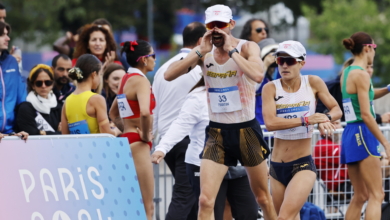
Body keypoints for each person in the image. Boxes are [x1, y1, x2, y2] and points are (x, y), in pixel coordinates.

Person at [164, 4, 277, 219]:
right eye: (211, 25)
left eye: (221, 25)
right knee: (205, 201)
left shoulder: (247, 47)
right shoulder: (204, 54)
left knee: (262, 197)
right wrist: (199, 51)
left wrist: (232, 50)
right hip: (218, 133)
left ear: (231, 25)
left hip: (246, 132)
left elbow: (258, 75)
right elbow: (169, 75)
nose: (216, 30)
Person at [152, 77, 259, 219]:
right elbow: (181, 124)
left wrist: (259, 163)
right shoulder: (198, 97)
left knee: (249, 212)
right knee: (212, 211)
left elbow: (249, 128)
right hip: (204, 163)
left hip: (237, 165)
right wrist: (162, 147)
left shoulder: (242, 91)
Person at [262, 40, 342, 220]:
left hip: (302, 165)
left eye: (289, 61)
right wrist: (307, 120)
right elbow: (270, 123)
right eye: (280, 60)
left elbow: (336, 110)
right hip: (276, 166)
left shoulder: (313, 82)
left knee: (285, 217)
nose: (283, 65)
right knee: (289, 217)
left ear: (301, 63)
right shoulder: (270, 88)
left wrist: (324, 119)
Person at [151, 21, 204, 220]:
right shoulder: (201, 68)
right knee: (185, 195)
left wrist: (157, 141)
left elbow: (154, 108)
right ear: (201, 40)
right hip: (188, 140)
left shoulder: (162, 69)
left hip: (168, 141)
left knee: (192, 198)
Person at [340, 32, 390, 220]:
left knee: (361, 196)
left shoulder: (347, 72)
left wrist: (387, 88)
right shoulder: (361, 75)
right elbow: (367, 115)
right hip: (362, 132)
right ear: (368, 48)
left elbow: (366, 96)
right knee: (377, 195)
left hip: (350, 132)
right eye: (374, 48)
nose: (374, 53)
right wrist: (386, 143)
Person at [109, 40, 156, 220]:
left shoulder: (126, 80)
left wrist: (128, 129)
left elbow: (113, 113)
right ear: (144, 60)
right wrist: (143, 134)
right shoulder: (140, 82)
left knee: (132, 207)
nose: (154, 60)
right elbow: (145, 112)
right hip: (138, 143)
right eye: (153, 56)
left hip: (128, 140)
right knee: (147, 208)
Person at [316, 57, 390, 124]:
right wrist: (379, 119)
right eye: (366, 67)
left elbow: (369, 95)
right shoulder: (333, 87)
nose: (370, 70)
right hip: (341, 131)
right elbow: (359, 113)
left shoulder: (359, 85)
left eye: (371, 67)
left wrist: (387, 89)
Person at [61, 54, 120, 136]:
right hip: (96, 148)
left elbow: (65, 137)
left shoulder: (67, 101)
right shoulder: (97, 99)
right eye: (100, 74)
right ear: (94, 74)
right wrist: (117, 130)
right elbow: (107, 134)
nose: (100, 78)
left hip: (76, 148)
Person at [15, 64, 61, 135]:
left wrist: (43, 133)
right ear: (33, 85)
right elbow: (31, 134)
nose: (43, 86)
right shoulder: (25, 108)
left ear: (52, 84)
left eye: (47, 82)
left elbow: (65, 133)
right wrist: (57, 132)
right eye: (39, 83)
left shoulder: (57, 107)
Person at [0, 21, 27, 135]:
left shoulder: (12, 61)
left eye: (7, 34)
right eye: (2, 35)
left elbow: (21, 98)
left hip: (10, 134)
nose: (8, 38)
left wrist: (19, 129)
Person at [255, 38, 279, 125]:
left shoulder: (278, 75)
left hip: (274, 130)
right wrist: (264, 65)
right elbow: (253, 88)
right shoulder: (254, 76)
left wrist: (283, 62)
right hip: (259, 128)